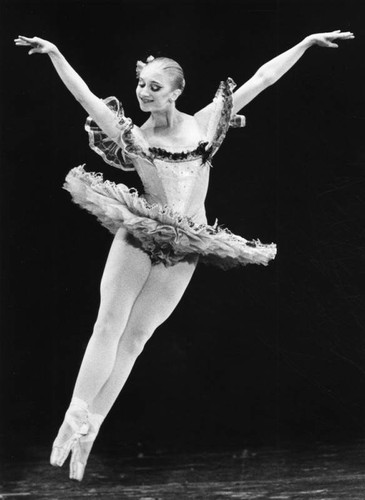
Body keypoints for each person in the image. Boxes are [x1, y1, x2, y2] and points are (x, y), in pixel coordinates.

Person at [15, 28, 354, 481]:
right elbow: (85, 97)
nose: (144, 92)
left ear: (176, 91)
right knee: (108, 324)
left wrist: (306, 42)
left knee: (135, 341)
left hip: (188, 242)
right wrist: (56, 52)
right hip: (140, 230)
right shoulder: (131, 132)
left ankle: (91, 428)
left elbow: (262, 78)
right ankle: (73, 415)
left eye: (155, 86)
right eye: (141, 85)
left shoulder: (204, 123)